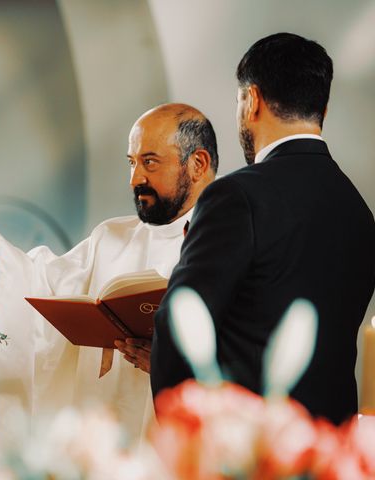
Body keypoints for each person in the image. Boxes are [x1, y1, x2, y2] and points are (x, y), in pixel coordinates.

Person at [0, 103, 218, 465]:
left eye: (150, 162)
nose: (135, 178)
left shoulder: (228, 240)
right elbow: (41, 286)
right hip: (106, 440)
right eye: (131, 162)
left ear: (197, 164)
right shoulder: (111, 237)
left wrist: (170, 361)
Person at [150, 33, 375, 425]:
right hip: (326, 447)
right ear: (323, 106)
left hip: (248, 447)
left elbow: (180, 323)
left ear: (251, 100)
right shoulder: (358, 210)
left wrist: (181, 438)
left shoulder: (236, 196)